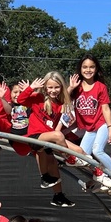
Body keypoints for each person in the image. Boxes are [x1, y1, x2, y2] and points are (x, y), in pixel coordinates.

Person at [69, 54, 111, 191]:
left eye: (92, 67)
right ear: (80, 69)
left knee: (97, 151)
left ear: (96, 69)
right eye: (85, 67)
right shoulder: (76, 87)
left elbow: (105, 108)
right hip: (89, 128)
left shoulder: (100, 87)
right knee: (82, 155)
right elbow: (63, 101)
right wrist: (71, 88)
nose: (88, 70)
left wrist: (110, 128)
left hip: (102, 123)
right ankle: (100, 177)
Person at [26, 72, 76, 207]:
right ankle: (68, 158)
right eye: (50, 88)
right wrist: (31, 87)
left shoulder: (60, 104)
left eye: (57, 87)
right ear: (45, 88)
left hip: (48, 139)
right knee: (58, 137)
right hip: (34, 137)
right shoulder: (38, 98)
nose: (53, 91)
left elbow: (63, 118)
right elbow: (20, 100)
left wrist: (70, 88)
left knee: (54, 161)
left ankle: (58, 195)